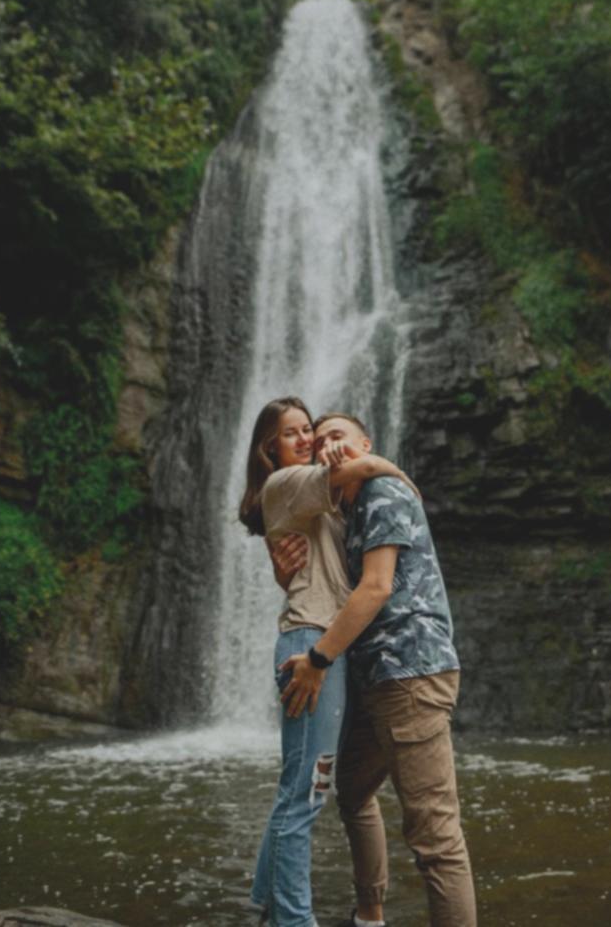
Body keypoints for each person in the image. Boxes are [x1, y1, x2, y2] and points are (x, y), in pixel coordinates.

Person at [275, 412, 477, 927]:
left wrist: (318, 658)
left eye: (337, 436)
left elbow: (376, 588)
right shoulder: (344, 511)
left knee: (435, 837)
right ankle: (370, 915)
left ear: (365, 444)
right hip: (373, 679)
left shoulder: (382, 493)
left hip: (409, 672)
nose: (326, 446)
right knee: (354, 791)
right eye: (318, 442)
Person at [239, 396, 413, 927]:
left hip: (322, 644)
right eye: (292, 434)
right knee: (307, 795)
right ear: (270, 451)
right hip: (311, 647)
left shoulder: (313, 497)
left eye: (309, 429)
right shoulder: (285, 484)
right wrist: (401, 478)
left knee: (297, 788)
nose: (308, 439)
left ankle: (265, 908)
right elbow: (359, 466)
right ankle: (296, 920)